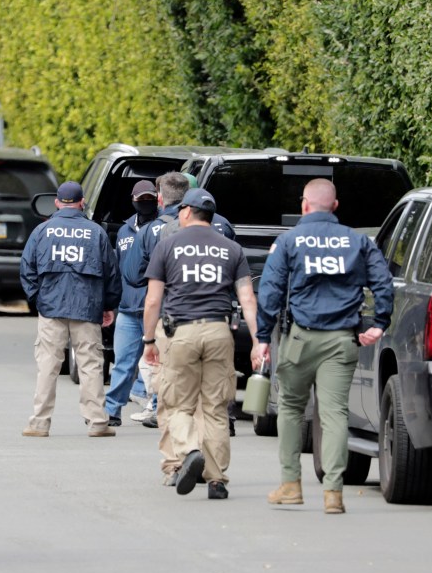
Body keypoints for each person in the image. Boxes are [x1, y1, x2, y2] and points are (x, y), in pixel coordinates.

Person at [255, 178, 393, 514]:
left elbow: (270, 290)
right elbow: (383, 283)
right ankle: (333, 493)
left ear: (304, 205)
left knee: (289, 408)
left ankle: (291, 485)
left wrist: (262, 338)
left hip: (300, 339)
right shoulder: (358, 241)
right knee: (334, 415)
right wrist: (379, 324)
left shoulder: (288, 241)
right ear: (335, 206)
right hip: (342, 341)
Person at [142, 188, 259, 499]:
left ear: (186, 212)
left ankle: (190, 450)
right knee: (216, 408)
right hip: (220, 332)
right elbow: (247, 298)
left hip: (182, 332)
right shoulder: (232, 249)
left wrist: (149, 340)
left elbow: (153, 300)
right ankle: (217, 479)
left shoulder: (168, 246)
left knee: (177, 403)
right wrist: (258, 340)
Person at [20, 181, 122, 438]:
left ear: (57, 202)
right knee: (90, 365)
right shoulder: (96, 232)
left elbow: (27, 268)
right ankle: (98, 422)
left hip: (51, 307)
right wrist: (108, 305)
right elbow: (112, 272)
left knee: (47, 366)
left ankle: (39, 423)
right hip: (87, 309)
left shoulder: (42, 230)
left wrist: (38, 300)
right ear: (82, 202)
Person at [103, 180, 160, 426]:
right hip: (128, 308)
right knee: (123, 364)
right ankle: (111, 411)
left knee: (159, 364)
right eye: (141, 198)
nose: (145, 202)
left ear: (157, 199)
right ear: (133, 199)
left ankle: (157, 408)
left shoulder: (163, 228)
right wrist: (113, 302)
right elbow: (118, 270)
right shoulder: (125, 231)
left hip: (156, 308)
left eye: (150, 198)